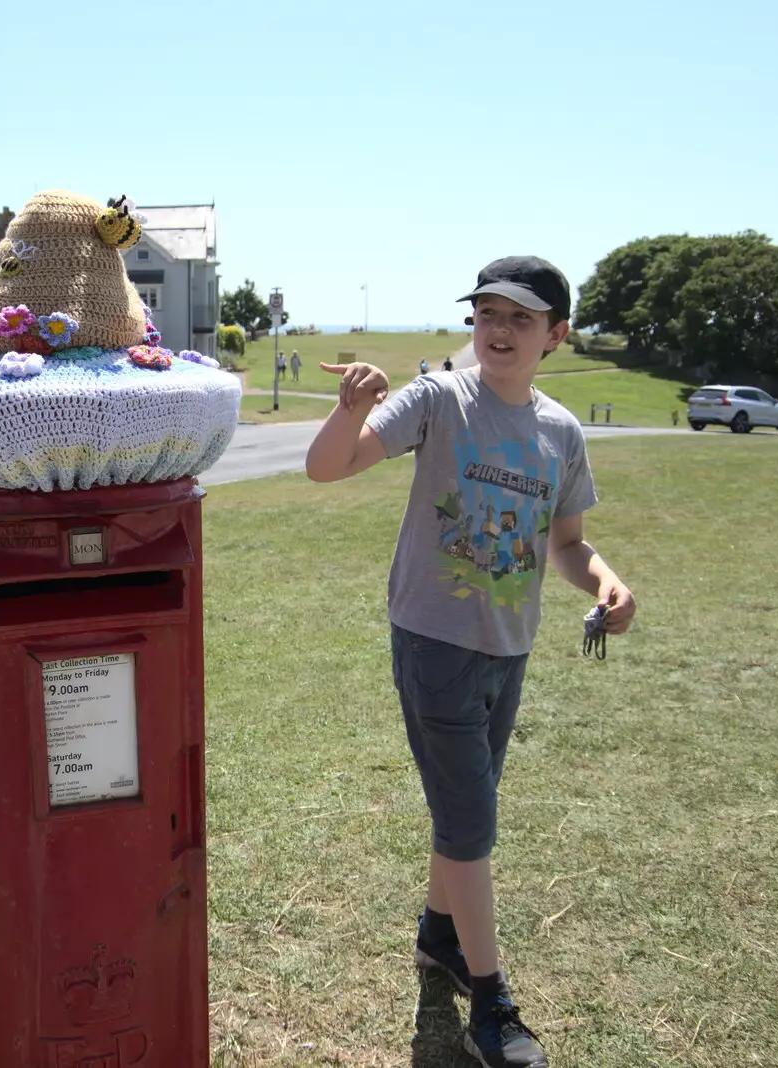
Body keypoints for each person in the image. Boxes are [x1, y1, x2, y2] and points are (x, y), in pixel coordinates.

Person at [305, 256, 635, 1068]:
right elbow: (327, 466)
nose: (498, 329)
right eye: (487, 313)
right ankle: (491, 1001)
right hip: (435, 642)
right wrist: (351, 410)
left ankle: (438, 937)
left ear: (555, 334)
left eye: (521, 318)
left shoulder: (560, 431)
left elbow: (566, 542)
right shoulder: (438, 399)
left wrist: (605, 579)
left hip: (508, 646)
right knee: (471, 821)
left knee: (463, 813)